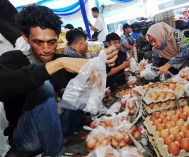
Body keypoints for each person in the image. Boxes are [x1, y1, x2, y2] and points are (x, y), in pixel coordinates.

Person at [1, 5, 118, 157]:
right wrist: (55, 65)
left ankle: (60, 138)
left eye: (51, 42)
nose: (46, 49)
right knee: (44, 87)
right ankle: (57, 153)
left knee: (83, 79)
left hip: (59, 128)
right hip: (28, 138)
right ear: (25, 37)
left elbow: (88, 73)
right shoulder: (13, 59)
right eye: (38, 42)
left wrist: (101, 62)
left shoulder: (60, 59)